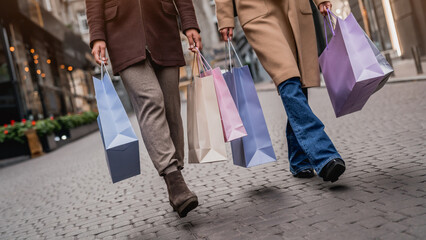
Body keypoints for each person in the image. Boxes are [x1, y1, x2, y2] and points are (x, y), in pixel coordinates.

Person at [85, 0, 202, 217]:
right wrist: (97, 36)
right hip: (121, 33)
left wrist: (189, 24)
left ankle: (175, 175)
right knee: (151, 100)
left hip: (163, 27)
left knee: (171, 107)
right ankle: (174, 179)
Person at [215, 0, 346, 182]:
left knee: (300, 82)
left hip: (293, 6)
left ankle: (299, 160)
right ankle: (324, 154)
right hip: (255, 10)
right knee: (287, 76)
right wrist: (225, 16)